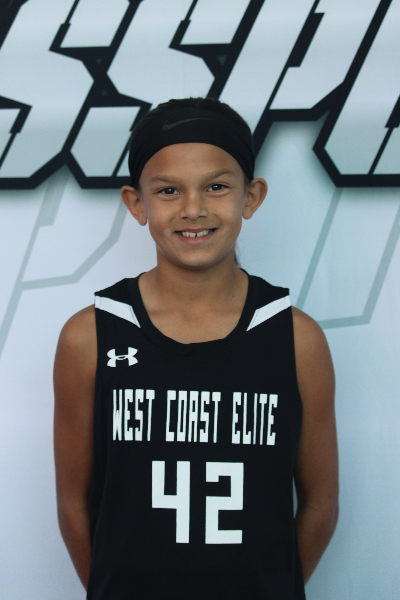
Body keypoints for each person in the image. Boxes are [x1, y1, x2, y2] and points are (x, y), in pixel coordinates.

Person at [54, 97, 339, 600]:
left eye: (216, 186)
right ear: (136, 203)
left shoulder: (296, 338)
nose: (193, 209)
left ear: (251, 196)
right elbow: (73, 504)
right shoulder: (90, 336)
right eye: (168, 190)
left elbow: (320, 505)